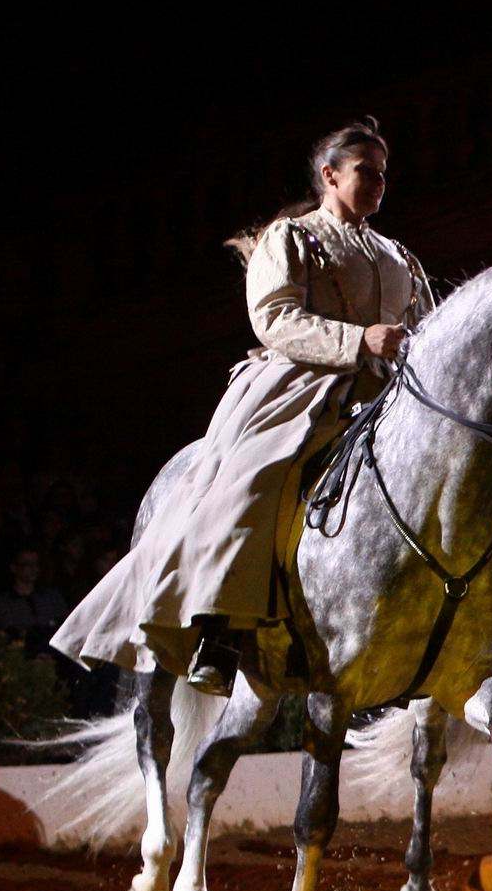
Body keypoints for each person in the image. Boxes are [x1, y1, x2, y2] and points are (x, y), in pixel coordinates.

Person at [53, 119, 433, 692]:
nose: (378, 183)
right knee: (258, 477)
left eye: (383, 175)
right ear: (330, 175)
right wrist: (358, 341)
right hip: (304, 381)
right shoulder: (293, 238)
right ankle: (221, 625)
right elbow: (276, 317)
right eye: (365, 172)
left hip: (388, 384)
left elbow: (426, 324)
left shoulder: (396, 253)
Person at [0, 548, 68, 646]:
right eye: (27, 564)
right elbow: (11, 631)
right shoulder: (5, 601)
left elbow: (64, 624)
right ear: (14, 568)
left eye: (36, 564)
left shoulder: (51, 596)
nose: (34, 569)